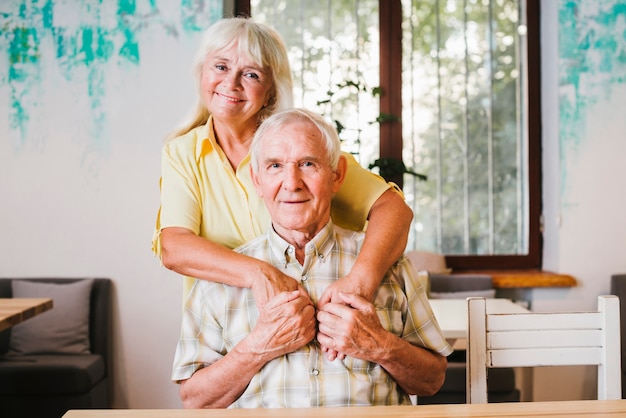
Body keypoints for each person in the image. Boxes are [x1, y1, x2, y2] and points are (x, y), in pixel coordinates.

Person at [151, 17, 414, 358]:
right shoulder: (181, 153)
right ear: (202, 73)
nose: (230, 83)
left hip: (323, 341)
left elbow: (394, 209)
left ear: (271, 90)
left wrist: (359, 283)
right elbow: (174, 247)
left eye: (251, 74)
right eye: (220, 66)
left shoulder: (301, 145)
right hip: (231, 343)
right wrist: (260, 273)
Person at [172, 108, 452, 408]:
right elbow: (195, 401)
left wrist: (379, 345)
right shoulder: (220, 281)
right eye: (275, 166)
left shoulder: (386, 262)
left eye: (307, 164)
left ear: (337, 175)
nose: (292, 182)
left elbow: (432, 380)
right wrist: (259, 346)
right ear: (257, 180)